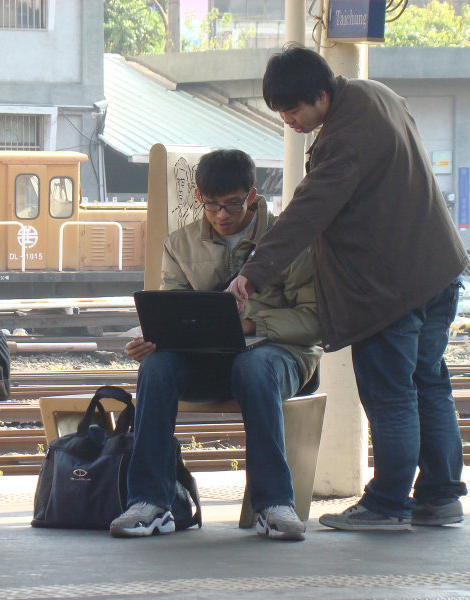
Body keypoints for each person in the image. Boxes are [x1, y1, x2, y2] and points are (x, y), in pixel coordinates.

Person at [226, 44, 468, 531]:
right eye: (281, 112)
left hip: (389, 289)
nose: (290, 121)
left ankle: (387, 502)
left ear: (320, 95)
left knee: (391, 394)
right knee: (429, 385)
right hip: (438, 269)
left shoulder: (341, 140)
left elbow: (307, 212)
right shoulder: (377, 94)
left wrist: (252, 272)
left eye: (293, 110)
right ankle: (440, 496)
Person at [109, 149, 322, 541]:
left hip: (278, 359)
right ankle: (150, 502)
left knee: (253, 368)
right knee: (155, 368)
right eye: (211, 205)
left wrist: (253, 325)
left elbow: (315, 322)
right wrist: (153, 342)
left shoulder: (288, 242)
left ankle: (273, 504)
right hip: (206, 361)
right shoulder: (180, 245)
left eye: (233, 204)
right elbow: (170, 312)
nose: (222, 215)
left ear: (253, 196)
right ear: (198, 197)